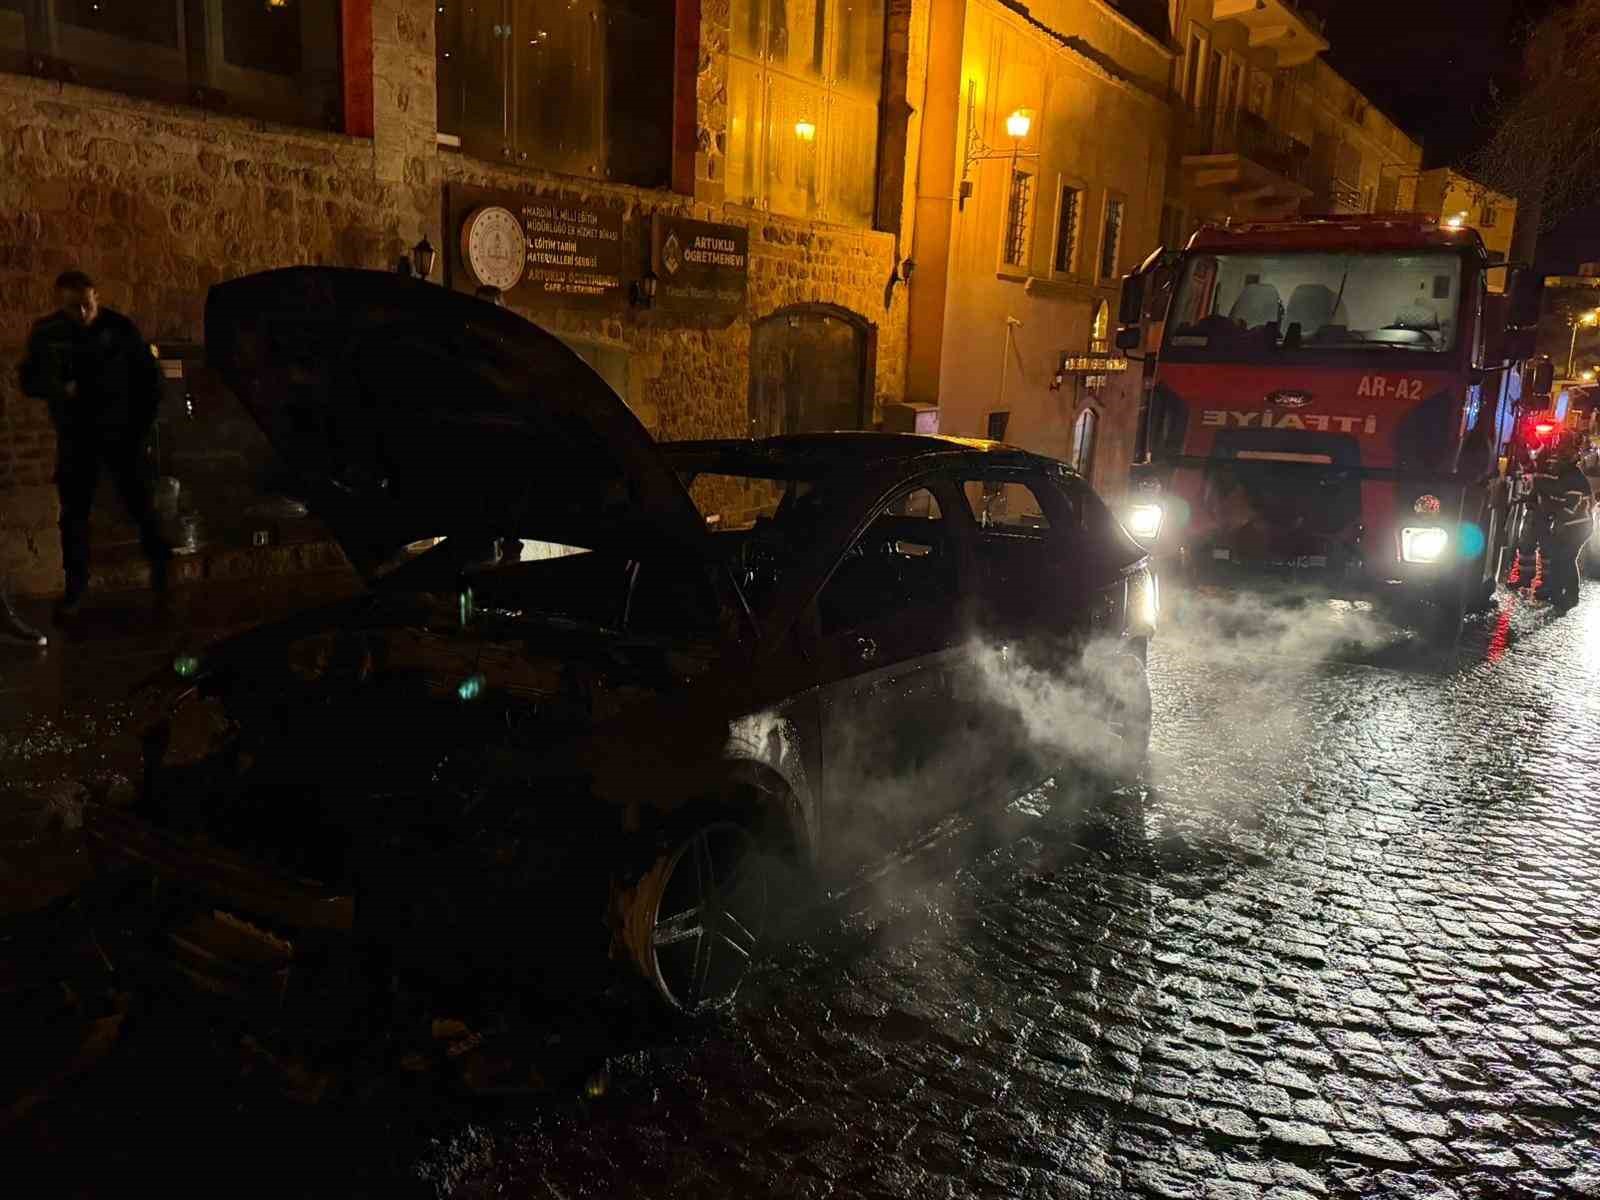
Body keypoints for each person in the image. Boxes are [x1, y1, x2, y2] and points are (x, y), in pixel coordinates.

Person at [19, 270, 171, 619]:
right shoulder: (48, 333)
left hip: (122, 435)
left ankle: (162, 576)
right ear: (61, 304)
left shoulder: (119, 329)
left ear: (96, 299)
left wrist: (140, 427)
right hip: (76, 437)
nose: (83, 315)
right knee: (74, 515)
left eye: (87, 305)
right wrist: (59, 389)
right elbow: (28, 379)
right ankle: (76, 589)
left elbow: (151, 379)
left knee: (141, 504)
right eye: (74, 308)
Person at [1532, 430, 1593, 611]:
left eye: (1557, 461)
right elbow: (1554, 492)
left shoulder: (1574, 479)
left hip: (1578, 527)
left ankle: (1571, 596)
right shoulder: (1565, 475)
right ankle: (1555, 591)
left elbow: (1569, 509)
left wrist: (1551, 512)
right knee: (1558, 558)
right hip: (1568, 525)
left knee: (1566, 559)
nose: (1554, 464)